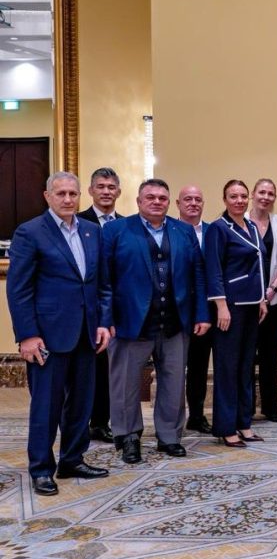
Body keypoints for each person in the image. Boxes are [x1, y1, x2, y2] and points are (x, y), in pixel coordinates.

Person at [7, 172, 112, 496]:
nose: (68, 199)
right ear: (47, 196)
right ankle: (41, 469)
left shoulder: (92, 231)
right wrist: (27, 335)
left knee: (81, 403)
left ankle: (72, 459)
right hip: (47, 336)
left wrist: (103, 323)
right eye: (61, 193)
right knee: (46, 406)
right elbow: (19, 289)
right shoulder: (30, 232)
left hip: (86, 333)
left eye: (72, 194)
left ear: (80, 196)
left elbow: (102, 284)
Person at [102, 179, 210, 462]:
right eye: (150, 197)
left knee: (173, 382)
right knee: (125, 384)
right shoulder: (116, 230)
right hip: (130, 323)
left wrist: (201, 313)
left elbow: (198, 274)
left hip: (175, 322)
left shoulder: (183, 231)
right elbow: (104, 279)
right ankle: (128, 437)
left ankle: (170, 436)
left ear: (169, 202)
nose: (156, 201)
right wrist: (105, 319)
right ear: (139, 201)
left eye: (162, 197)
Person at [205, 180, 268, 448]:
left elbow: (258, 265)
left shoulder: (251, 226)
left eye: (243, 196)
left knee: (245, 368)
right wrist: (221, 305)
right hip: (229, 308)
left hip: (252, 306)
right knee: (227, 368)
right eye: (233, 196)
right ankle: (226, 427)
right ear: (225, 199)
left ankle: (244, 423)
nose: (239, 201)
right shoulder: (218, 228)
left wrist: (262, 299)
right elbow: (213, 269)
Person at [77, 167, 123, 445]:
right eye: (101, 187)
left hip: (119, 309)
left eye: (111, 187)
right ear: (91, 190)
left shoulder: (128, 224)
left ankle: (101, 422)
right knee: (86, 369)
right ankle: (79, 423)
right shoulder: (77, 221)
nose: (106, 192)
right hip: (87, 309)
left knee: (110, 369)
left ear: (119, 191)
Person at [247, 179, 277, 423]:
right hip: (246, 302)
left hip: (274, 298)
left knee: (270, 354)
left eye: (270, 193)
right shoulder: (239, 221)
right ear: (252, 194)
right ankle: (246, 407)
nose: (265, 197)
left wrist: (273, 289)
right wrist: (255, 294)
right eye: (261, 192)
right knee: (246, 355)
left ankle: (270, 407)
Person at [177, 185, 214, 434]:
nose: (193, 203)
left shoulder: (213, 232)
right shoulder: (168, 230)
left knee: (199, 366)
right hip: (175, 310)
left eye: (198, 199)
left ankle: (197, 415)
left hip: (206, 311)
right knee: (173, 367)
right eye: (188, 199)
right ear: (178, 204)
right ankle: (172, 420)